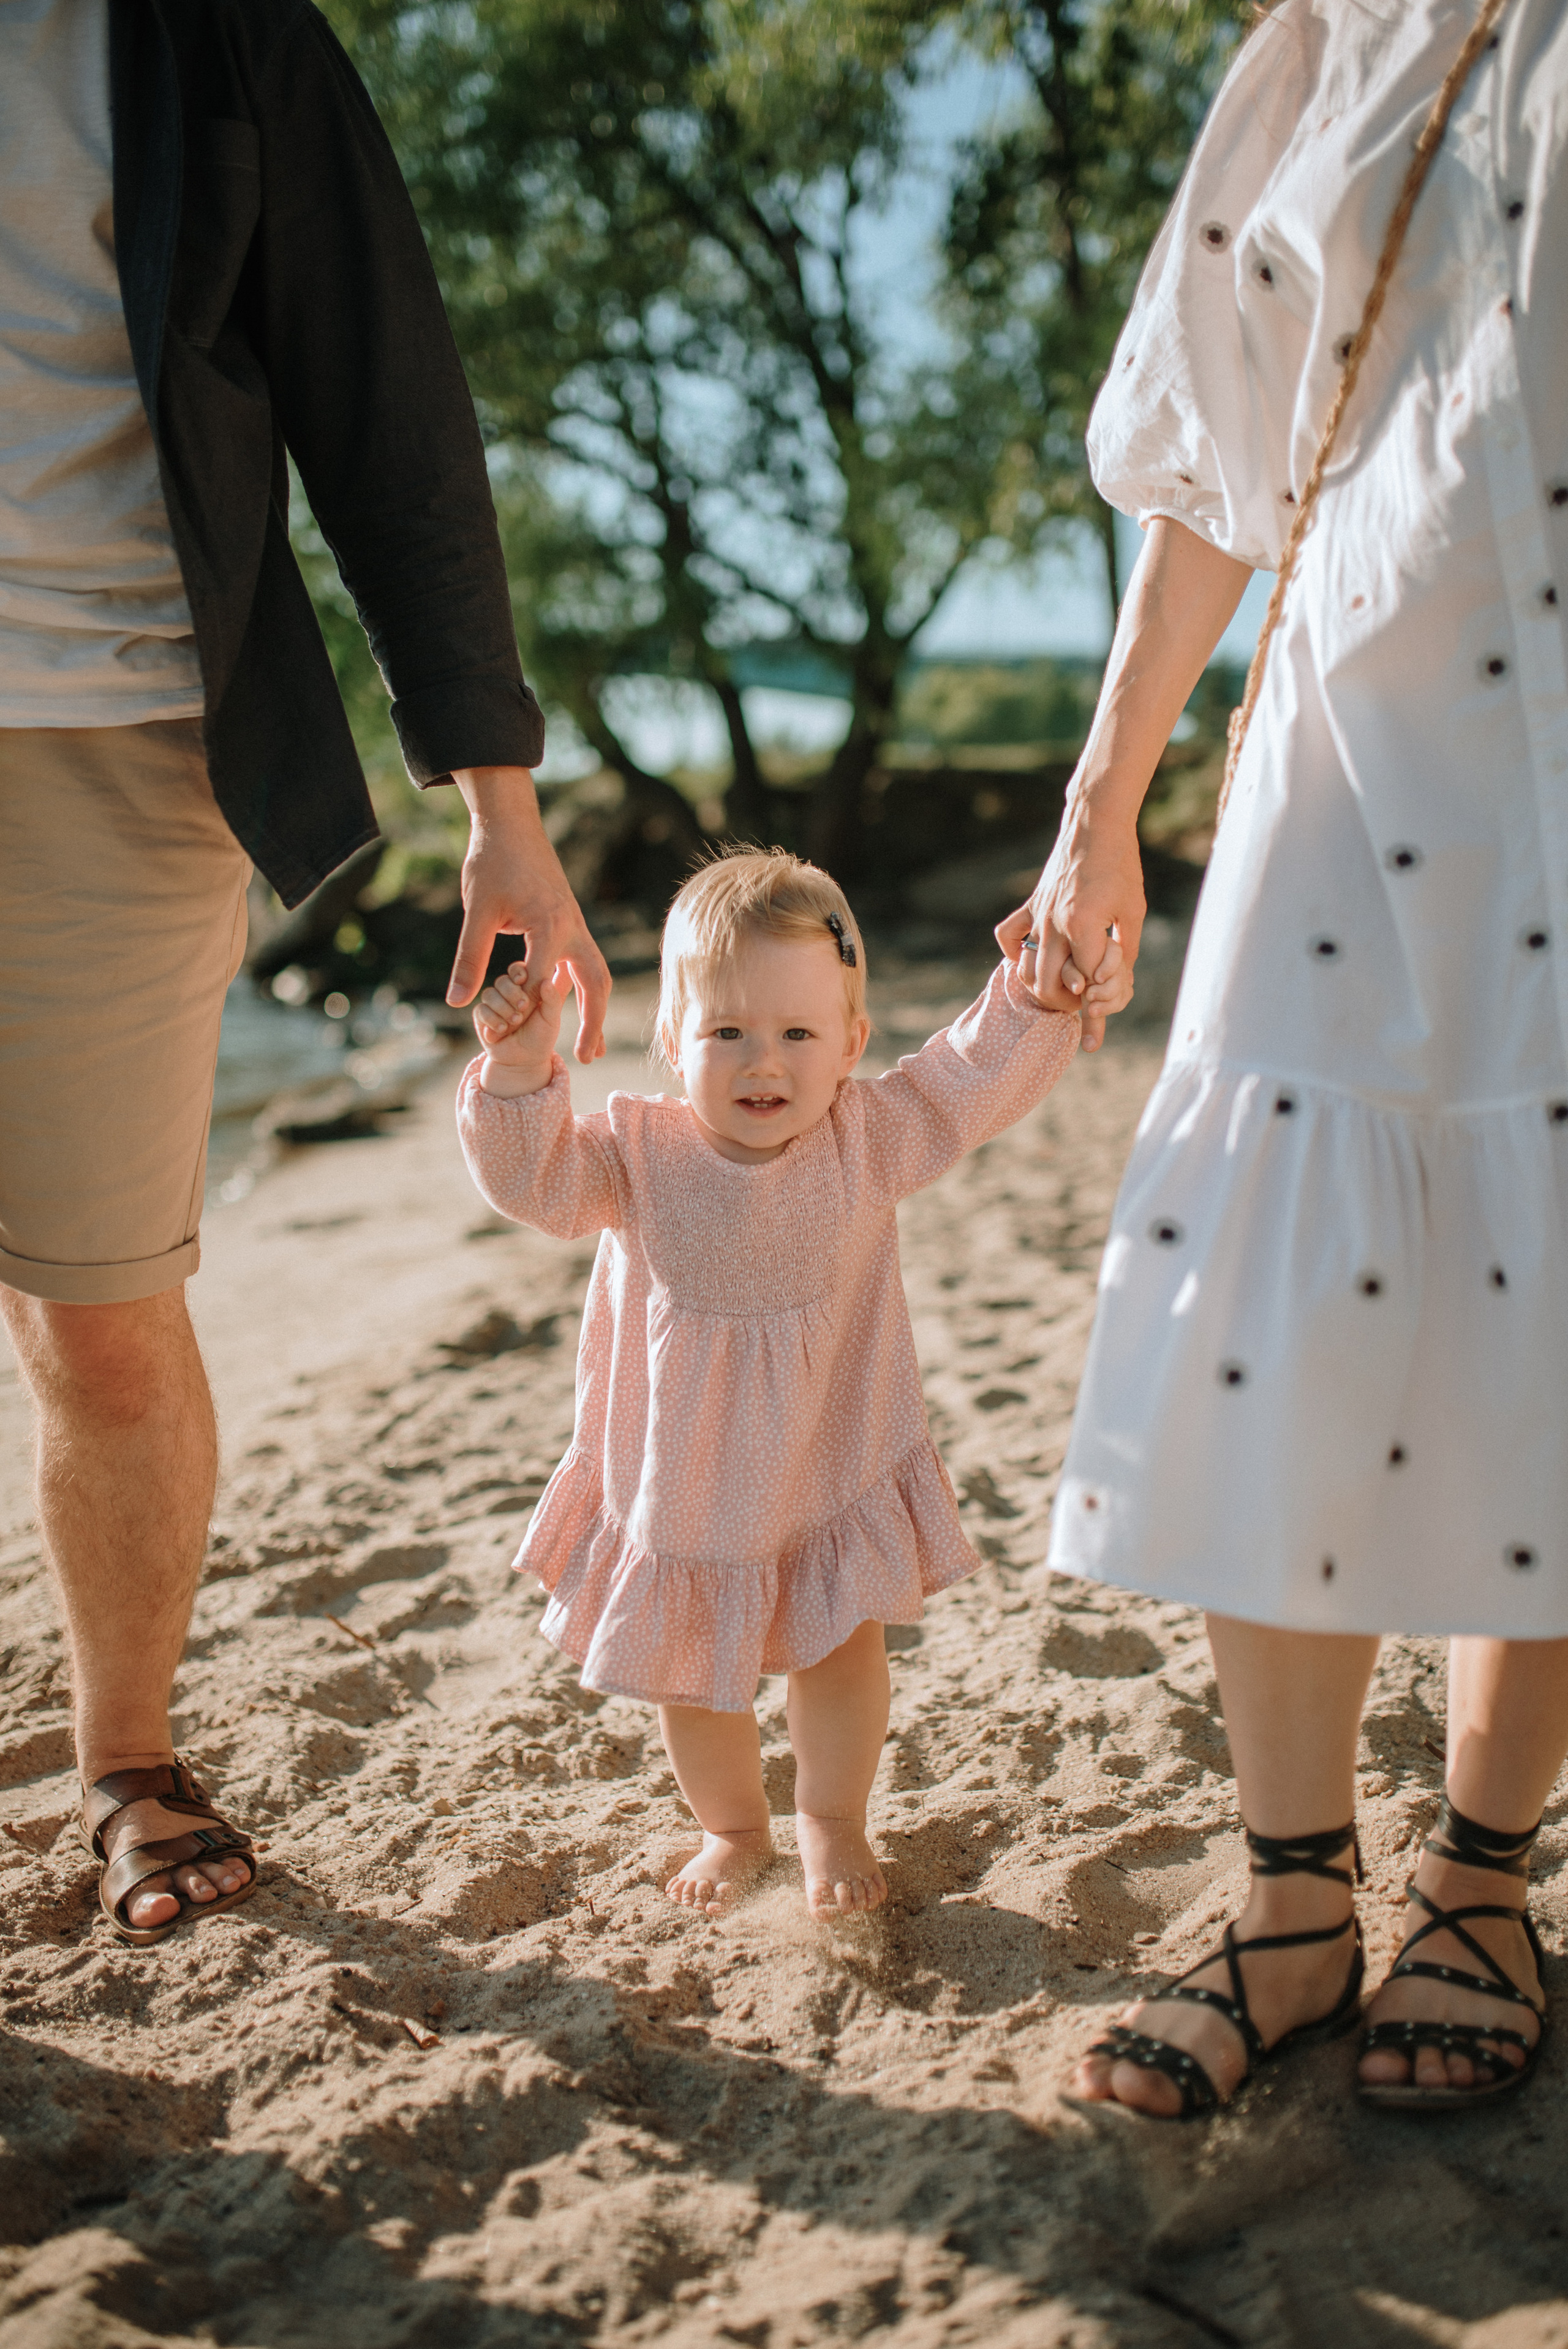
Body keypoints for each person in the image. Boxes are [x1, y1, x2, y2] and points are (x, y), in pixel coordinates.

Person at [1001, 0, 1568, 2115]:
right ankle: (1294, 1895)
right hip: (1348, 747)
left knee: (1555, 1288)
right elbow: (1222, 457)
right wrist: (1099, 798)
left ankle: (1487, 1877)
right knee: (1275, 1298)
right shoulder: (1333, 39)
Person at [0, 0, 609, 1946]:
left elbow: (392, 414)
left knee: (96, 1311)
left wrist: (500, 805)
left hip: (115, 719)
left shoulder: (224, 37)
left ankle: (124, 1756)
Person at [458, 850, 1123, 1916]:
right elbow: (534, 1184)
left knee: (840, 1646)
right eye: (727, 1032)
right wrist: (520, 1072)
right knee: (690, 1667)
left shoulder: (870, 1136)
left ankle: (832, 1815)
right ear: (673, 1041)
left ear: (852, 1045)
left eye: (799, 1034)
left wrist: (1034, 993)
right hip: (682, 1481)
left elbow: (969, 1079)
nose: (763, 1061)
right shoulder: (637, 1153)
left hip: (829, 1456)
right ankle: (732, 1824)